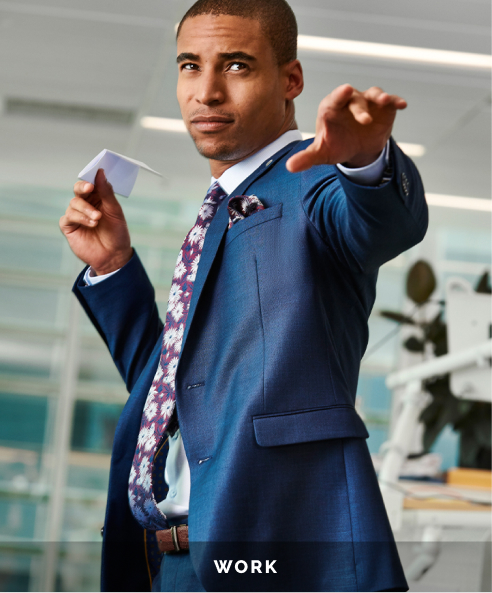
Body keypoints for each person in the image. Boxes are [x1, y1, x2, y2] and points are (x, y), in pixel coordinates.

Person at [59, 0, 428, 591]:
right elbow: (184, 393)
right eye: (188, 66)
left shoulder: (314, 184)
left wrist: (365, 160)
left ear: (290, 80)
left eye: (234, 66)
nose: (205, 92)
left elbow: (386, 222)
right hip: (173, 562)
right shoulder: (217, 215)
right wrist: (113, 268)